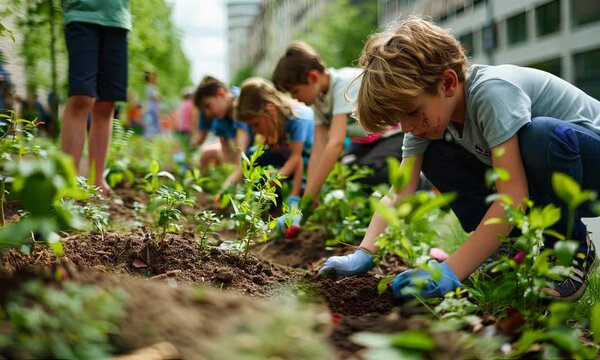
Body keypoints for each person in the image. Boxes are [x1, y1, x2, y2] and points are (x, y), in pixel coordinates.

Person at [318, 18, 600, 301]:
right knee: (435, 152)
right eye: (399, 119)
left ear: (448, 82)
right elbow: (401, 190)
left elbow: (511, 198)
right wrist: (365, 252)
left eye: (412, 113)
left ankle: (569, 247)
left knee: (539, 135)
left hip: (590, 168)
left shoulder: (492, 93)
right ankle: (505, 247)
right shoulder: (430, 117)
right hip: (554, 180)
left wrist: (451, 270)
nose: (406, 127)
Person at [272, 41, 410, 209]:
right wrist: (309, 195)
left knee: (366, 170)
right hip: (368, 142)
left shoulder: (343, 84)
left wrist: (310, 196)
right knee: (348, 170)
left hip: (396, 134)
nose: (295, 99)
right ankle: (373, 207)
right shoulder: (318, 99)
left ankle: (418, 184)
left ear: (313, 77)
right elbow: (318, 150)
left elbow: (335, 143)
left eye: (295, 91)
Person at [60, 0, 131, 194]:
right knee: (82, 97)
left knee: (106, 104)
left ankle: (97, 181)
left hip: (117, 18)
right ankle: (68, 181)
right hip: (82, 14)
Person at [233, 77, 314, 227]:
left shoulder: (298, 119)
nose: (255, 130)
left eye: (256, 124)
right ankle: (270, 208)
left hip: (310, 161)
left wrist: (292, 196)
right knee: (252, 156)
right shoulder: (275, 120)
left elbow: (297, 160)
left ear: (270, 110)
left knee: (274, 179)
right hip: (288, 158)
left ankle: (289, 202)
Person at [193, 76, 243, 171]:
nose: (208, 113)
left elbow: (242, 152)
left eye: (208, 106)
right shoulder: (219, 120)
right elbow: (226, 153)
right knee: (205, 154)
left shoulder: (241, 105)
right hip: (241, 152)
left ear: (221, 93)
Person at [143, 71, 161, 138]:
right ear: (151, 79)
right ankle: (148, 138)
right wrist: (158, 98)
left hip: (151, 109)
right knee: (150, 124)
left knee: (152, 124)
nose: (157, 80)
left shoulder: (152, 87)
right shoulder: (150, 87)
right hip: (150, 109)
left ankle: (150, 138)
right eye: (155, 78)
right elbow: (155, 98)